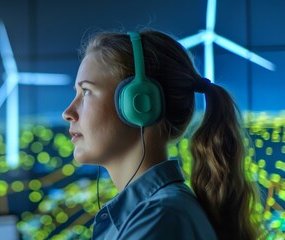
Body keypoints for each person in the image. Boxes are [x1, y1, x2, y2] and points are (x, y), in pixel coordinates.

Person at [62, 30, 262, 240]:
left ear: (139, 103)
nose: (67, 113)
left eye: (86, 92)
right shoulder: (152, 214)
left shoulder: (160, 217)